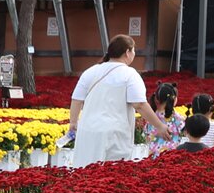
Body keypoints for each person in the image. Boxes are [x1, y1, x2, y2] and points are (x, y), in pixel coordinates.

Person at [69, 35, 172, 168]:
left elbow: (76, 99)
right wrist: (159, 126)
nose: (134, 53)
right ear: (127, 52)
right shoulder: (130, 74)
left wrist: (73, 122)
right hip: (113, 135)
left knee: (85, 172)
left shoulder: (90, 71)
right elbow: (139, 104)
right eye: (133, 50)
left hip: (87, 131)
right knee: (110, 173)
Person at [145, 82, 184, 156]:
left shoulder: (151, 118)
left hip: (152, 158)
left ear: (156, 98)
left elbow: (146, 137)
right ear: (174, 99)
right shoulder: (178, 119)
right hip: (170, 158)